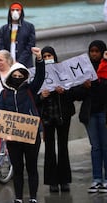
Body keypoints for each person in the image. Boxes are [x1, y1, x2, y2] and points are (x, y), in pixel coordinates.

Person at [0, 47, 45, 203]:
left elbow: (40, 76)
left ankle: (32, 198)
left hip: (31, 136)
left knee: (31, 168)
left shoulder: (31, 89)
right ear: (10, 76)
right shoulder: (4, 93)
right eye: (15, 75)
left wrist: (39, 59)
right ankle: (18, 198)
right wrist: (5, 134)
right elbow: (0, 115)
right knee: (17, 168)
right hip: (12, 138)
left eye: (20, 76)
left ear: (24, 77)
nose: (17, 78)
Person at [38, 46, 77, 193]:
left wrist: (64, 91)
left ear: (54, 56)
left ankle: (64, 180)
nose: (48, 58)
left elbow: (74, 92)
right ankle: (52, 182)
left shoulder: (63, 71)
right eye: (45, 56)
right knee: (49, 149)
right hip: (47, 116)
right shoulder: (39, 74)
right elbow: (34, 97)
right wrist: (42, 96)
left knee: (62, 147)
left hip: (63, 115)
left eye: (50, 55)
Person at [79, 40, 107, 193]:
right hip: (90, 114)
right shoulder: (84, 69)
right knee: (95, 147)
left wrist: (98, 83)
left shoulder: (106, 67)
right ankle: (97, 179)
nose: (94, 54)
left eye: (97, 51)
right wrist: (84, 87)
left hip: (104, 112)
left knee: (105, 146)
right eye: (92, 51)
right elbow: (77, 94)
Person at [0, 2, 35, 68]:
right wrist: (7, 60)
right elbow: (0, 47)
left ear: (21, 12)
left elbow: (30, 45)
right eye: (12, 10)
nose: (15, 12)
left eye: (17, 10)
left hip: (25, 64)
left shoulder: (29, 27)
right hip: (8, 65)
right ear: (10, 12)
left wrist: (19, 61)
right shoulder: (3, 29)